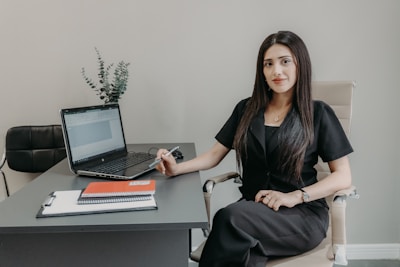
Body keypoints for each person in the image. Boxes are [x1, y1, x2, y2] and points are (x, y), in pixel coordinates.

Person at [154, 31, 353, 267]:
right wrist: (176, 169)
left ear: (301, 65)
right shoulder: (247, 109)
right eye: (268, 64)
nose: (276, 71)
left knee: (228, 219)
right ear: (262, 71)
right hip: (253, 211)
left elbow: (343, 176)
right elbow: (214, 155)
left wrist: (294, 196)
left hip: (300, 215)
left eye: (285, 61)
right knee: (247, 252)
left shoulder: (318, 113)